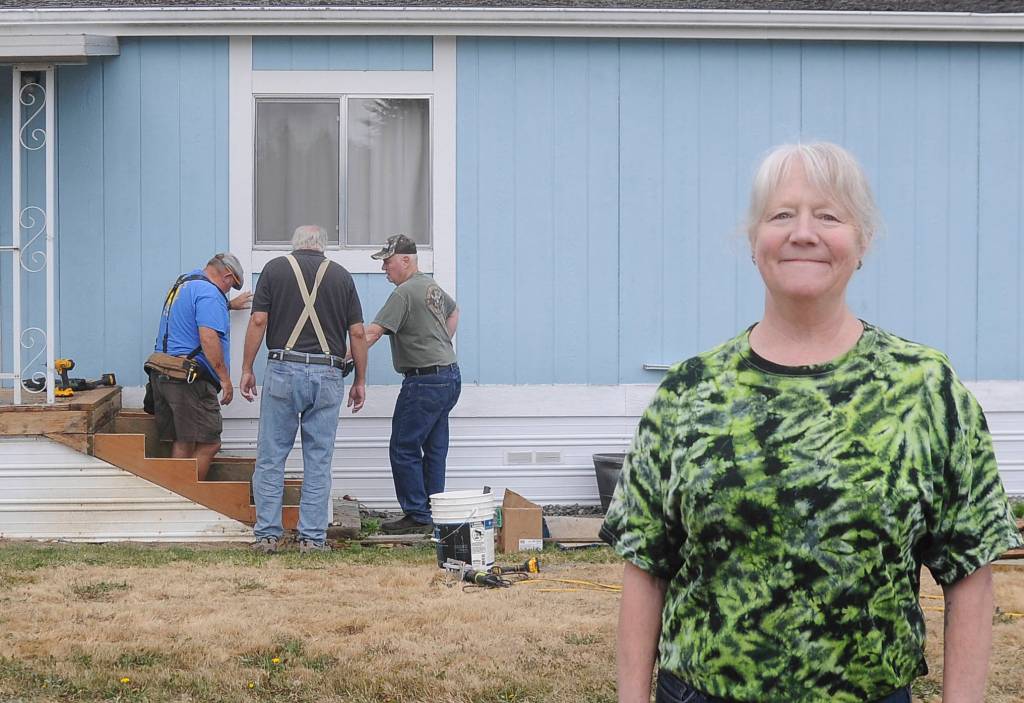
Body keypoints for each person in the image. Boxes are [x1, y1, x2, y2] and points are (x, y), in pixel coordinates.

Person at [601, 142, 1024, 703]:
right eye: (782, 215)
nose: (803, 233)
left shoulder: (925, 388)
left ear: (863, 240)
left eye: (829, 215)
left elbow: (968, 573)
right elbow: (647, 569)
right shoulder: (688, 392)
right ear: (754, 240)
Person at [240, 225, 367, 554]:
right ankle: (312, 539)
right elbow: (357, 332)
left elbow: (257, 322)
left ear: (294, 245)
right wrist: (360, 380)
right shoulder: (341, 277)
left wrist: (246, 368)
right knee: (318, 461)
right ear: (323, 247)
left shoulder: (275, 269)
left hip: (283, 368)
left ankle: (268, 535)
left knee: (271, 458)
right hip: (327, 373)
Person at [364, 234, 461, 535]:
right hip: (449, 375)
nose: (384, 269)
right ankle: (434, 511)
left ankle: (417, 515)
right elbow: (454, 311)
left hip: (423, 381)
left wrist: (341, 358)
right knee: (434, 448)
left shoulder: (404, 293)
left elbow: (372, 333)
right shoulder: (429, 286)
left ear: (405, 260)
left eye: (387, 262)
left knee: (403, 447)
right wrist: (440, 343)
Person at [149, 252, 250, 481]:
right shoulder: (210, 294)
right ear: (226, 276)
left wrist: (229, 305)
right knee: (209, 443)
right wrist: (224, 379)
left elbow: (194, 313)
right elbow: (208, 338)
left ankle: (176, 501)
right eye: (230, 286)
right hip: (190, 380)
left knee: (184, 441)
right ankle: (186, 497)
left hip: (164, 373)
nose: (227, 291)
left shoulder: (184, 283)